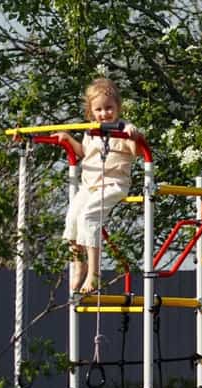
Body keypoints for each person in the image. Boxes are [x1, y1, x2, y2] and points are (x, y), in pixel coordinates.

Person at [54, 78, 141, 294]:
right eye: (99, 110)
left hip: (113, 184)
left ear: (118, 107)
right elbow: (83, 153)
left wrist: (133, 135)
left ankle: (94, 273)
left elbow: (137, 152)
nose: (104, 113)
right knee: (72, 218)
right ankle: (79, 265)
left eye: (109, 108)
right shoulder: (91, 131)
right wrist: (68, 139)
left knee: (88, 217)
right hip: (89, 186)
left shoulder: (123, 129)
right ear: (91, 111)